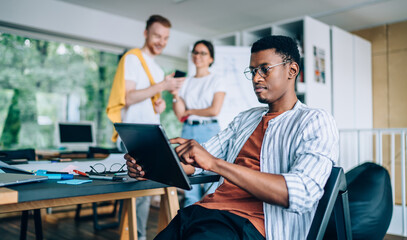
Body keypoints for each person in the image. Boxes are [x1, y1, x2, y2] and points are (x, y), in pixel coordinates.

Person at [125, 35, 339, 239]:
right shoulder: (246, 119)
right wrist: (151, 167)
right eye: (253, 71)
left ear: (292, 70)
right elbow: (197, 163)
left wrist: (215, 163)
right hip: (199, 214)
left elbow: (301, 193)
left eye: (265, 69)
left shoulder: (315, 121)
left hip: (245, 225)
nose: (256, 78)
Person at [106, 15, 184, 240]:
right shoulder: (133, 58)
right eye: (157, 36)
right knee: (137, 192)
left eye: (166, 38)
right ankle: (136, 237)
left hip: (151, 134)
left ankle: (137, 235)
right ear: (146, 33)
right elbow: (128, 97)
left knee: (144, 193)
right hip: (135, 135)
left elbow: (146, 98)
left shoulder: (158, 69)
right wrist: (162, 86)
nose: (161, 41)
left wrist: (158, 106)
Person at [172, 40, 226, 207]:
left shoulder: (217, 80)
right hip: (188, 128)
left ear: (211, 58)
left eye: (203, 53)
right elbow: (180, 113)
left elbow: (214, 110)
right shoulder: (186, 81)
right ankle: (190, 227)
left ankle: (207, 224)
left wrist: (190, 111)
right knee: (189, 183)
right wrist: (175, 94)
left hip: (209, 129)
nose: (198, 56)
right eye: (195, 52)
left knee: (211, 182)